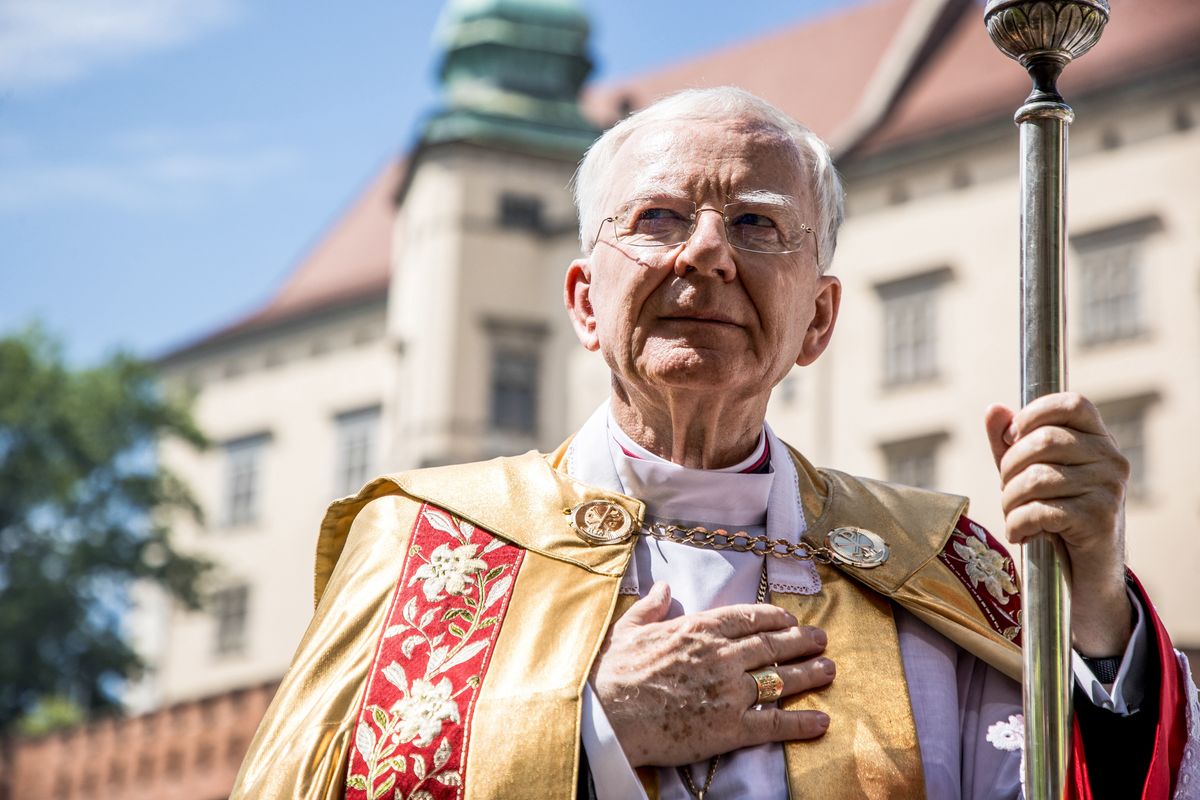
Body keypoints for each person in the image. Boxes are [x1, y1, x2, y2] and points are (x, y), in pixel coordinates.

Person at [231, 88, 1198, 800]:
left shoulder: (935, 567)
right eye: (658, 219)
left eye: (756, 224)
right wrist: (588, 730)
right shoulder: (423, 542)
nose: (705, 252)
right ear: (583, 302)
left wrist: (1098, 606)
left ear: (817, 321)